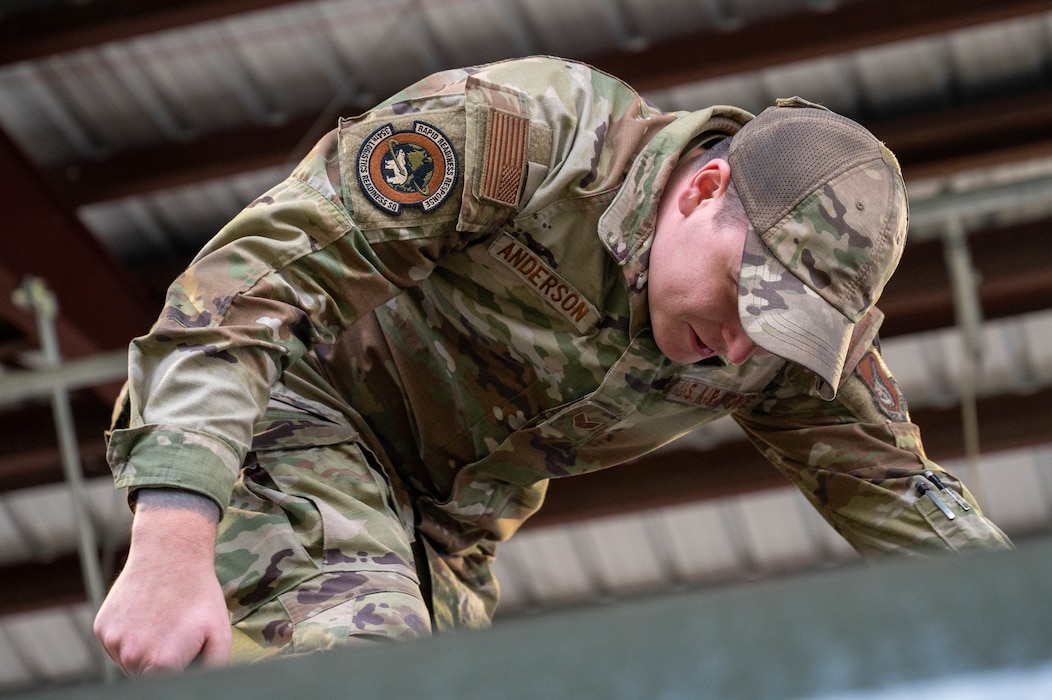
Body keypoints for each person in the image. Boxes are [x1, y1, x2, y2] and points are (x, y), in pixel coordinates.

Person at [93, 55, 1012, 675]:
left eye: (781, 333)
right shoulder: (526, 138)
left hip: (445, 537)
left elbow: (915, 508)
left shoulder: (785, 355)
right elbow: (241, 292)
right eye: (746, 296)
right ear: (702, 189)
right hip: (294, 412)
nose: (742, 348)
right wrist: (173, 542)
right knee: (369, 661)